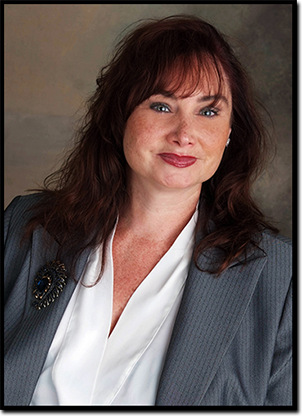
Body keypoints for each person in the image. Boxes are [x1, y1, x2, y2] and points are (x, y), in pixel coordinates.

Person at [4, 15, 292, 406]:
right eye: (161, 106)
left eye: (208, 112)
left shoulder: (279, 280)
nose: (184, 134)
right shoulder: (25, 227)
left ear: (229, 133)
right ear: (120, 116)